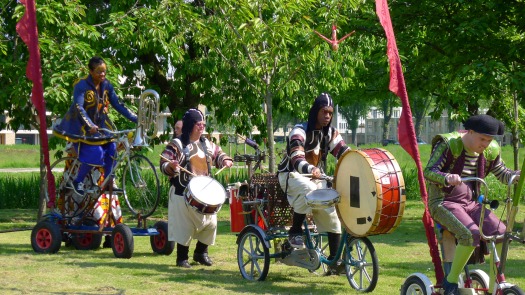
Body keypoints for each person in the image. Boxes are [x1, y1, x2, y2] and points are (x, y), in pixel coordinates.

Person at [424, 114, 519, 295]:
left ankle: (493, 287)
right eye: (482, 139)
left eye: (489, 140)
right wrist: (446, 177)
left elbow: (502, 174)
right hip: (443, 202)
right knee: (470, 234)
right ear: (470, 131)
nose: (485, 144)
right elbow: (429, 171)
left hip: (472, 203)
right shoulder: (449, 144)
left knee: (501, 233)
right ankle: (450, 282)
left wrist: (516, 176)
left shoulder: (490, 150)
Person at [277, 92, 350, 275]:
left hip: (314, 177)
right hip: (291, 175)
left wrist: (360, 161)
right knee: (309, 189)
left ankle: (334, 262)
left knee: (332, 215)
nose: (327, 116)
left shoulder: (331, 133)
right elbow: (296, 158)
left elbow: (344, 153)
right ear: (316, 111)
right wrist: (311, 170)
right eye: (324, 111)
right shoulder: (299, 131)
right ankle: (294, 232)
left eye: (330, 113)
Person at [159, 108, 233, 268]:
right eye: (198, 124)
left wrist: (225, 160)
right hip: (182, 193)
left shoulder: (206, 144)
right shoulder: (177, 144)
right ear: (191, 125)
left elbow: (219, 154)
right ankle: (182, 258)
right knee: (184, 227)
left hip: (203, 193)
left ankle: (201, 253)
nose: (202, 127)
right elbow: (164, 162)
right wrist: (171, 165)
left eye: (203, 124)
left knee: (210, 223)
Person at [53, 56, 138, 195]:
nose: (103, 74)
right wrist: (90, 125)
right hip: (80, 128)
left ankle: (110, 182)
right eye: (99, 71)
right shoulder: (81, 85)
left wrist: (136, 118)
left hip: (100, 127)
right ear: (91, 71)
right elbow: (79, 107)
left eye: (104, 71)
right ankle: (77, 181)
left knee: (112, 149)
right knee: (96, 153)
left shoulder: (107, 85)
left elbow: (118, 104)